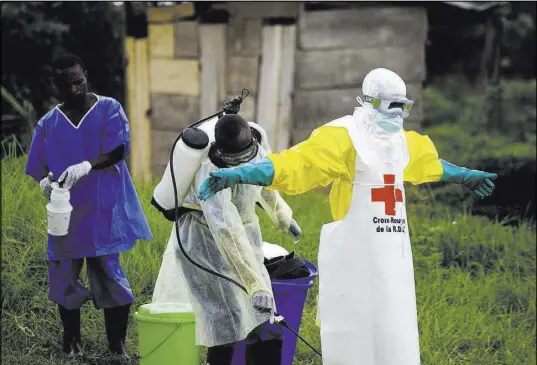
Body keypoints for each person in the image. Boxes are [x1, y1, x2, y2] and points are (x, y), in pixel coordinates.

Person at [198, 68, 497, 365]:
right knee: (354, 334)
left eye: (403, 106)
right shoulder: (344, 138)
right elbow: (294, 164)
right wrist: (239, 174)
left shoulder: (402, 143)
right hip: (354, 259)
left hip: (394, 263)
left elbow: (429, 165)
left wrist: (465, 175)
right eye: (391, 105)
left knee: (396, 329)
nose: (397, 115)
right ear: (368, 101)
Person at [25, 54, 153, 359]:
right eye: (66, 84)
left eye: (78, 81)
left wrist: (87, 165)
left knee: (110, 276)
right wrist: (44, 181)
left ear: (86, 75)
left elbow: (119, 149)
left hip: (101, 209)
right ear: (55, 85)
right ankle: (71, 343)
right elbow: (38, 165)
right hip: (65, 214)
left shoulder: (109, 109)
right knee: (63, 276)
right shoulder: (48, 123)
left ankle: (117, 346)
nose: (74, 89)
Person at [150, 114, 302, 365]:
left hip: (245, 235)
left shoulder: (256, 140)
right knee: (226, 321)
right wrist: (256, 285)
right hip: (204, 242)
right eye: (235, 161)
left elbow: (263, 181)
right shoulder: (210, 173)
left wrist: (283, 217)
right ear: (220, 151)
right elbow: (226, 229)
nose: (242, 164)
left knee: (264, 317)